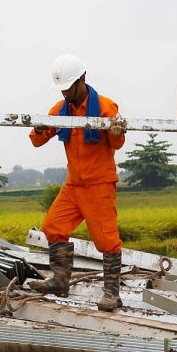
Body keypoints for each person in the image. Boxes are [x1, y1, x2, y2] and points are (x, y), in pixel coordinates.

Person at [28, 54, 128, 311]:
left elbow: (117, 143)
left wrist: (116, 131)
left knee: (107, 240)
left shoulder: (105, 107)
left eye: (68, 87)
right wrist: (39, 129)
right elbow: (38, 140)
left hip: (99, 183)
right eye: (61, 88)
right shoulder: (60, 110)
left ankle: (111, 293)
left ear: (82, 80)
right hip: (74, 184)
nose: (65, 93)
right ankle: (61, 280)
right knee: (53, 226)